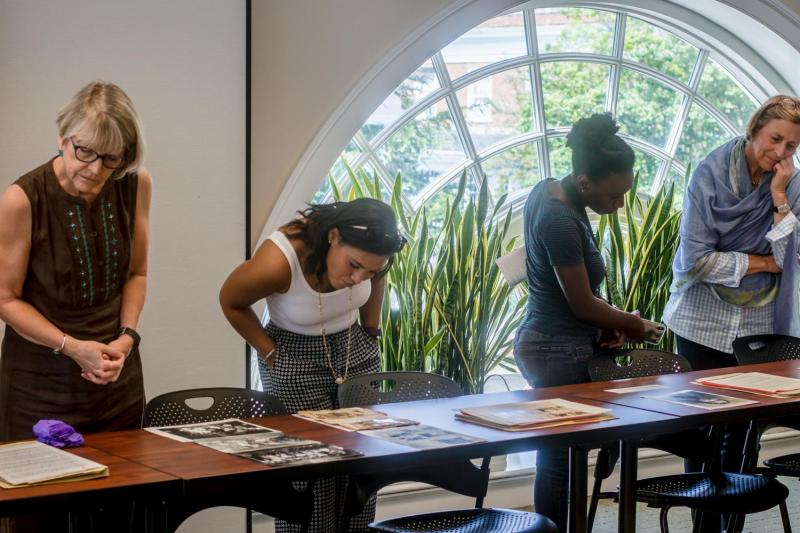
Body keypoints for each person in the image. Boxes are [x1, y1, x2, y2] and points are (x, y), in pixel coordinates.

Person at [0, 81, 151, 532]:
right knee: (38, 518)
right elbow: (5, 299)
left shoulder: (134, 184)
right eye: (84, 151)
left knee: (119, 512)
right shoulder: (22, 199)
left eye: (111, 157)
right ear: (62, 137)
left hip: (115, 375)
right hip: (38, 384)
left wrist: (126, 337)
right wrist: (71, 346)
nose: (95, 168)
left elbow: (137, 274)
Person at [219, 197, 405, 533]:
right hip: (293, 352)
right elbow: (230, 301)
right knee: (311, 469)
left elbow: (377, 280)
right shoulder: (280, 259)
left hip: (353, 344)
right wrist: (271, 354)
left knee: (362, 459)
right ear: (334, 236)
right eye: (353, 265)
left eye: (370, 270)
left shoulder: (371, 257)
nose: (357, 277)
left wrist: (372, 332)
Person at [663, 94, 800, 531]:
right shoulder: (710, 172)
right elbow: (696, 261)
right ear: (755, 127)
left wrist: (780, 197)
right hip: (700, 324)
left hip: (759, 328)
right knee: (702, 437)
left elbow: (791, 256)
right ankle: (702, 527)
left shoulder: (792, 184)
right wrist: (758, 262)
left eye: (792, 146)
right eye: (774, 138)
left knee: (743, 438)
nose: (780, 153)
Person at [513, 113, 652, 531]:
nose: (619, 205)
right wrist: (632, 324)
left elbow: (576, 295)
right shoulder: (559, 219)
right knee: (560, 457)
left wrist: (606, 323)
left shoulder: (552, 191)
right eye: (613, 196)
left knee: (567, 451)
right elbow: (580, 304)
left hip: (553, 340)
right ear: (586, 181)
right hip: (556, 347)